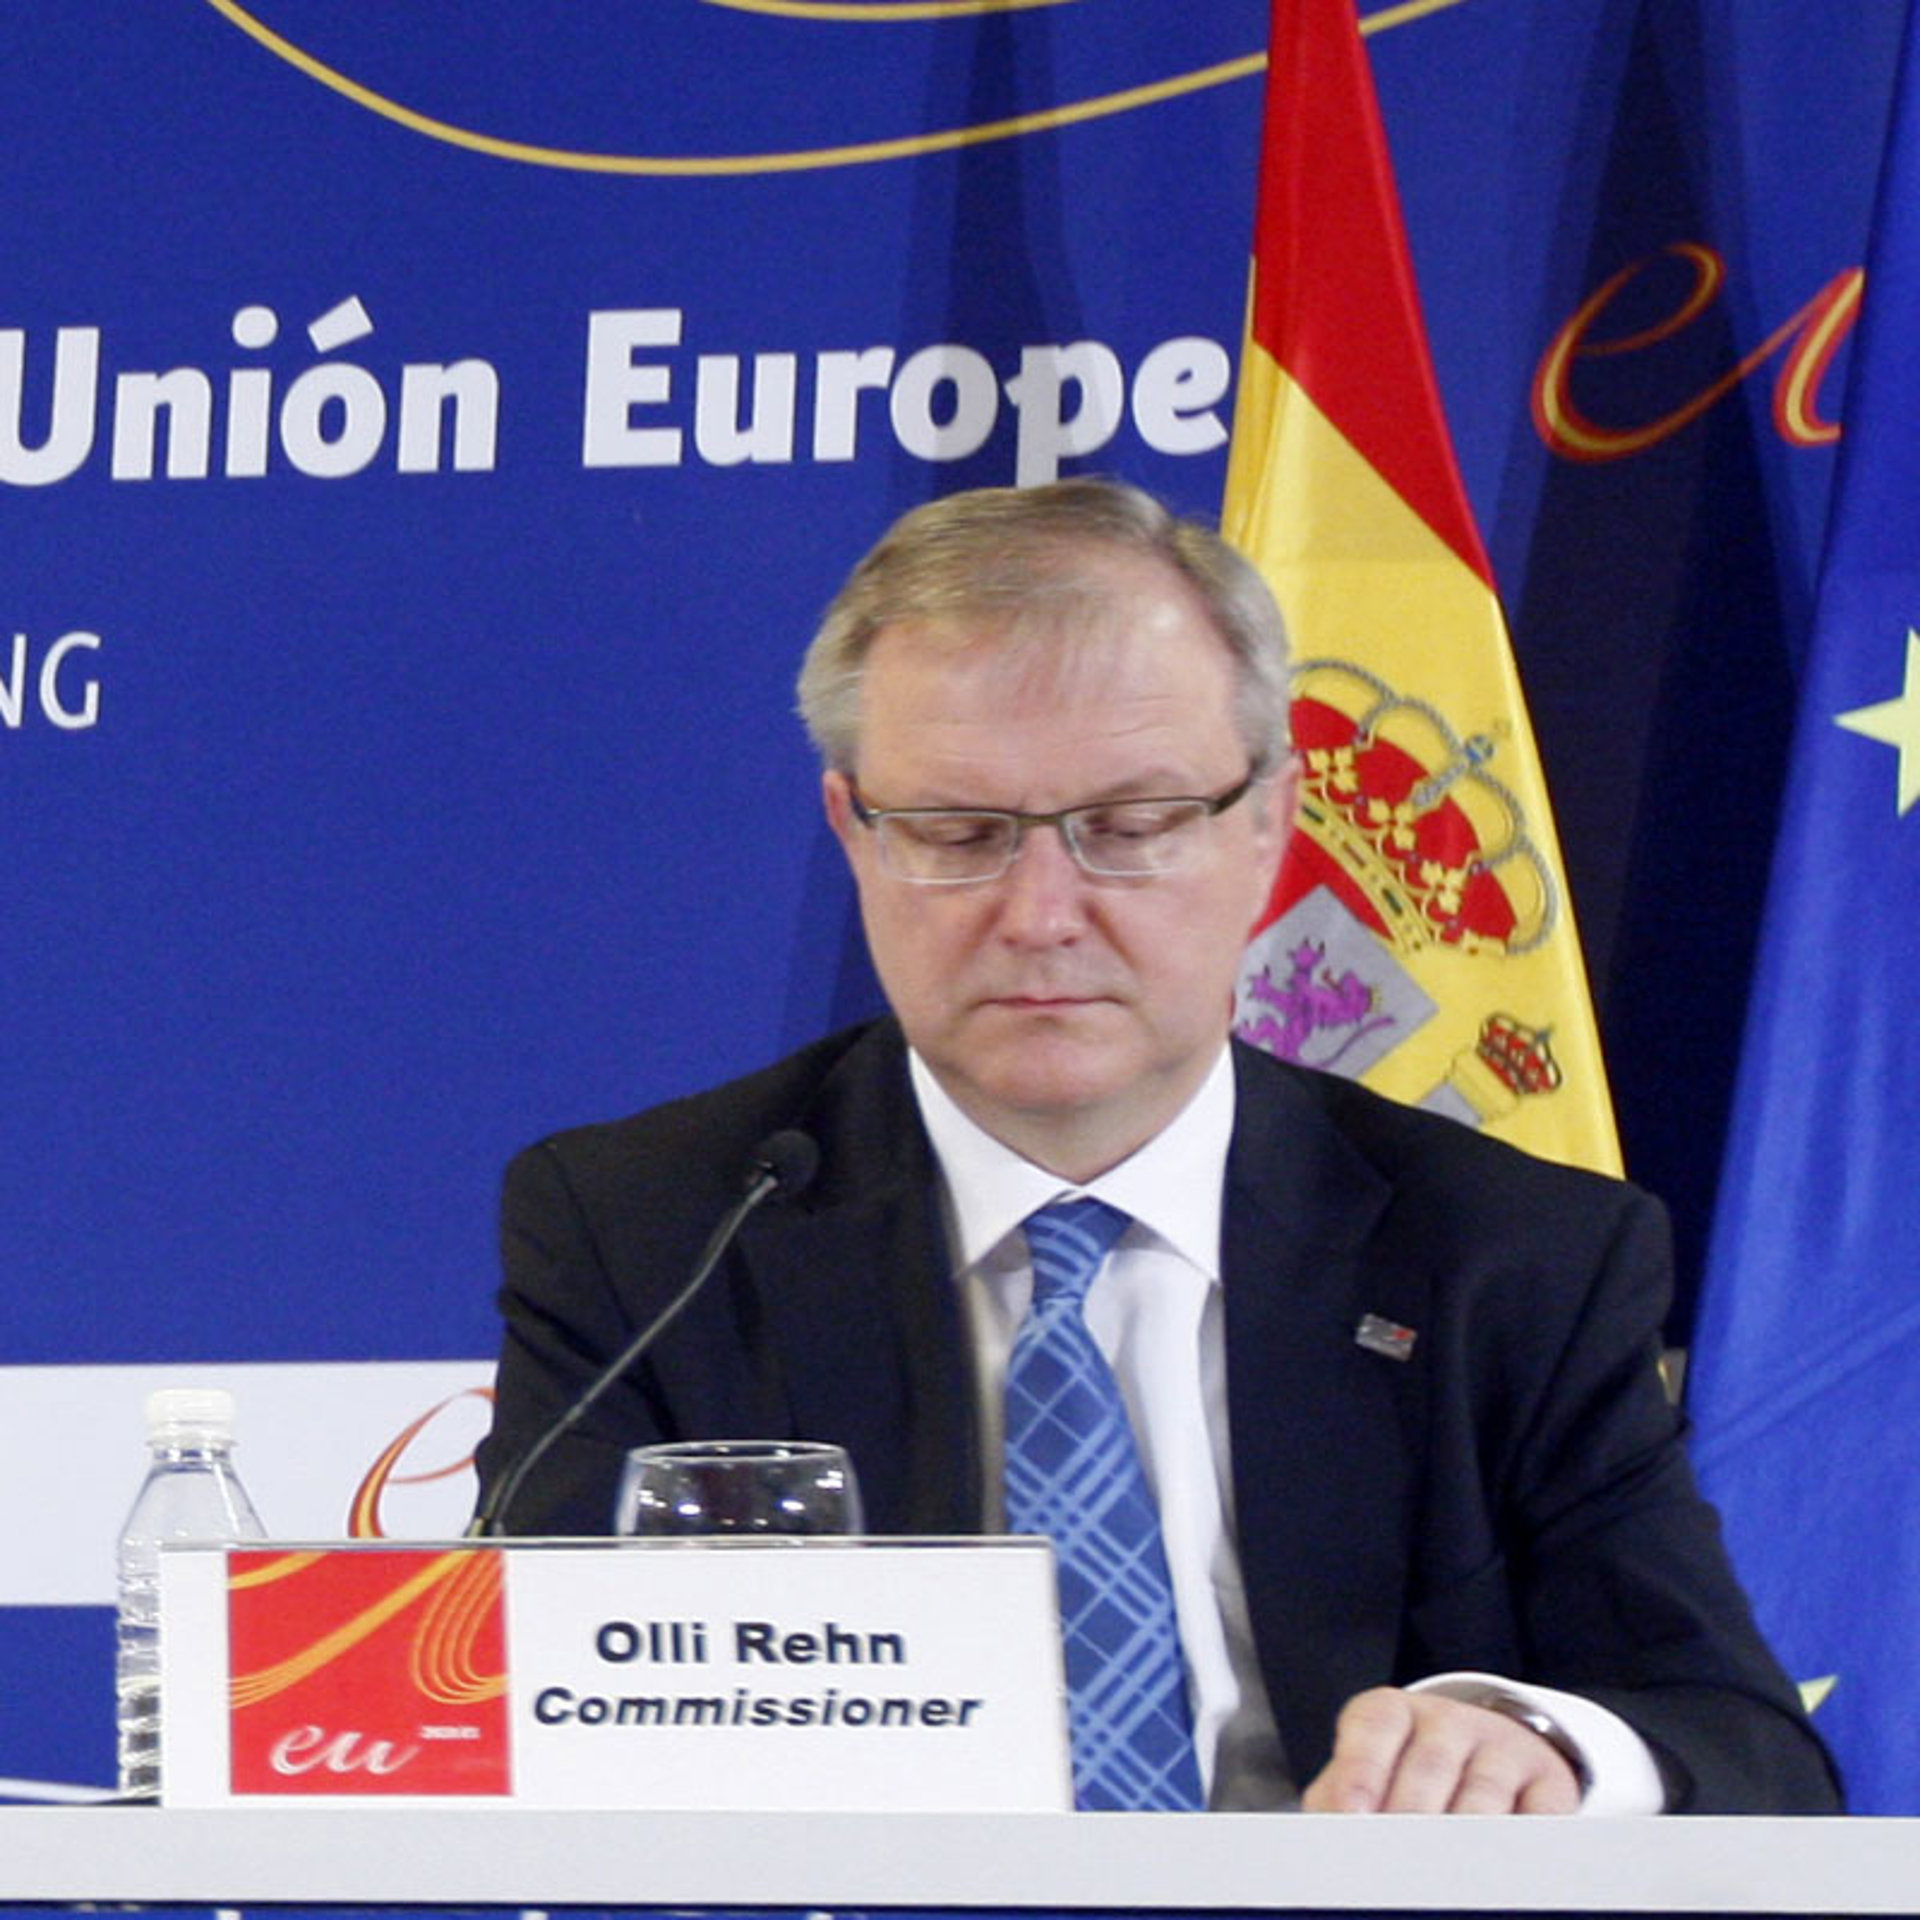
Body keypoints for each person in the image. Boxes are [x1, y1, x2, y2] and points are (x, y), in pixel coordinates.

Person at [474, 479, 1840, 1817]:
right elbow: (511, 1719)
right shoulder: (656, 1234)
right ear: (855, 831)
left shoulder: (1511, 1256)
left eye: (1128, 830)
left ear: (1269, 825)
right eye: (959, 834)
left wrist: (1547, 1747)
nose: (1041, 913)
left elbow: (1747, 1756)